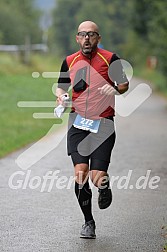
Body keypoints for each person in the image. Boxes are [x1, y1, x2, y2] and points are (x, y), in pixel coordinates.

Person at [56, 20, 129, 239]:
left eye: (91, 34)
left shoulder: (111, 58)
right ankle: (88, 222)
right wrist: (62, 97)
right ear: (77, 38)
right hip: (78, 124)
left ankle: (104, 187)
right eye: (82, 34)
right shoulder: (69, 61)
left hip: (104, 125)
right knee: (80, 175)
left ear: (98, 38)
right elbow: (60, 86)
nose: (87, 38)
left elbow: (124, 85)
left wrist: (115, 88)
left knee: (98, 178)